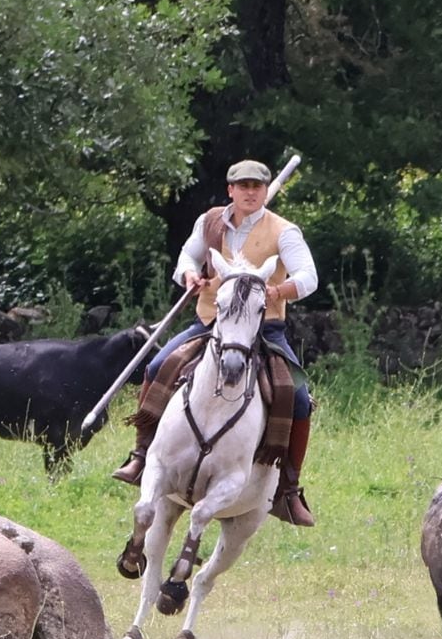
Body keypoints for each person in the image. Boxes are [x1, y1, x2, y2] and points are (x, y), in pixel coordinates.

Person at [112, 159, 317, 527]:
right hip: (211, 324)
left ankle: (289, 487)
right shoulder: (209, 223)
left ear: (265, 190)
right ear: (231, 190)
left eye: (257, 186)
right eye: (243, 186)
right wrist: (190, 274)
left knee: (299, 397)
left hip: (264, 329)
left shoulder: (284, 231)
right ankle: (141, 454)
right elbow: (187, 257)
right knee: (157, 367)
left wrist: (277, 289)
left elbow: (309, 277)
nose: (251, 192)